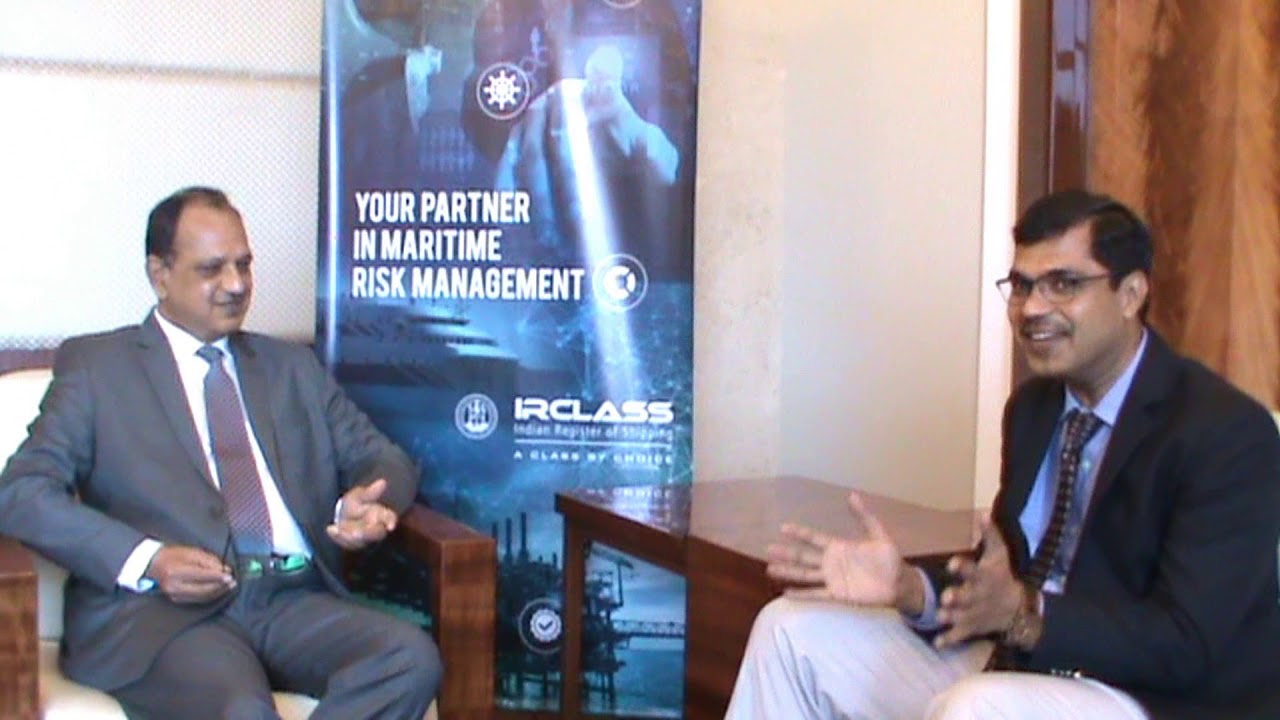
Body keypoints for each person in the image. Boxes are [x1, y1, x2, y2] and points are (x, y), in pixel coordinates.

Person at [725, 190, 1280, 719]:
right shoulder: (1035, 408)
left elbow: (1188, 642)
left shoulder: (1224, 431)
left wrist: (1027, 615)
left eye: (1063, 284)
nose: (1032, 308)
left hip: (1153, 698)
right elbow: (1005, 571)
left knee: (980, 707)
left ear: (1131, 294)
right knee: (791, 630)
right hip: (1029, 662)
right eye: (1021, 285)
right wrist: (912, 588)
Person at [0, 187, 441, 719]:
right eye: (212, 269)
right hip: (167, 617)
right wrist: (149, 560)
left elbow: (383, 458)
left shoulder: (290, 368)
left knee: (409, 659)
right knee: (242, 709)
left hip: (290, 598)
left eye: (243, 265)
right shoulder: (100, 369)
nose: (236, 285)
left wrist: (373, 501)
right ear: (160, 274)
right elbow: (22, 492)